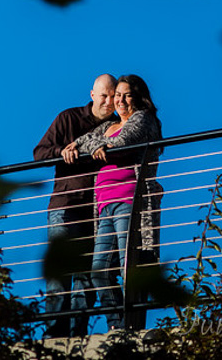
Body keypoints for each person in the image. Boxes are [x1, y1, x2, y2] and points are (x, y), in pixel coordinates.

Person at [62, 74, 163, 330]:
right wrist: (86, 145)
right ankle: (118, 326)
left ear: (138, 98)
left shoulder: (143, 119)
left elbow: (123, 143)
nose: (120, 100)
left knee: (130, 266)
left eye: (127, 95)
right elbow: (82, 141)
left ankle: (130, 326)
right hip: (105, 205)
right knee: (99, 271)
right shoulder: (109, 125)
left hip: (129, 201)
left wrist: (99, 146)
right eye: (117, 94)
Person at [33, 74, 117, 337]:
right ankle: (53, 336)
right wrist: (62, 152)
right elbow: (39, 153)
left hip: (96, 210)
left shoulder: (117, 127)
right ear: (92, 95)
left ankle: (77, 336)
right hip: (66, 204)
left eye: (113, 96)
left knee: (85, 278)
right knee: (60, 275)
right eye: (103, 95)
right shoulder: (68, 118)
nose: (108, 101)